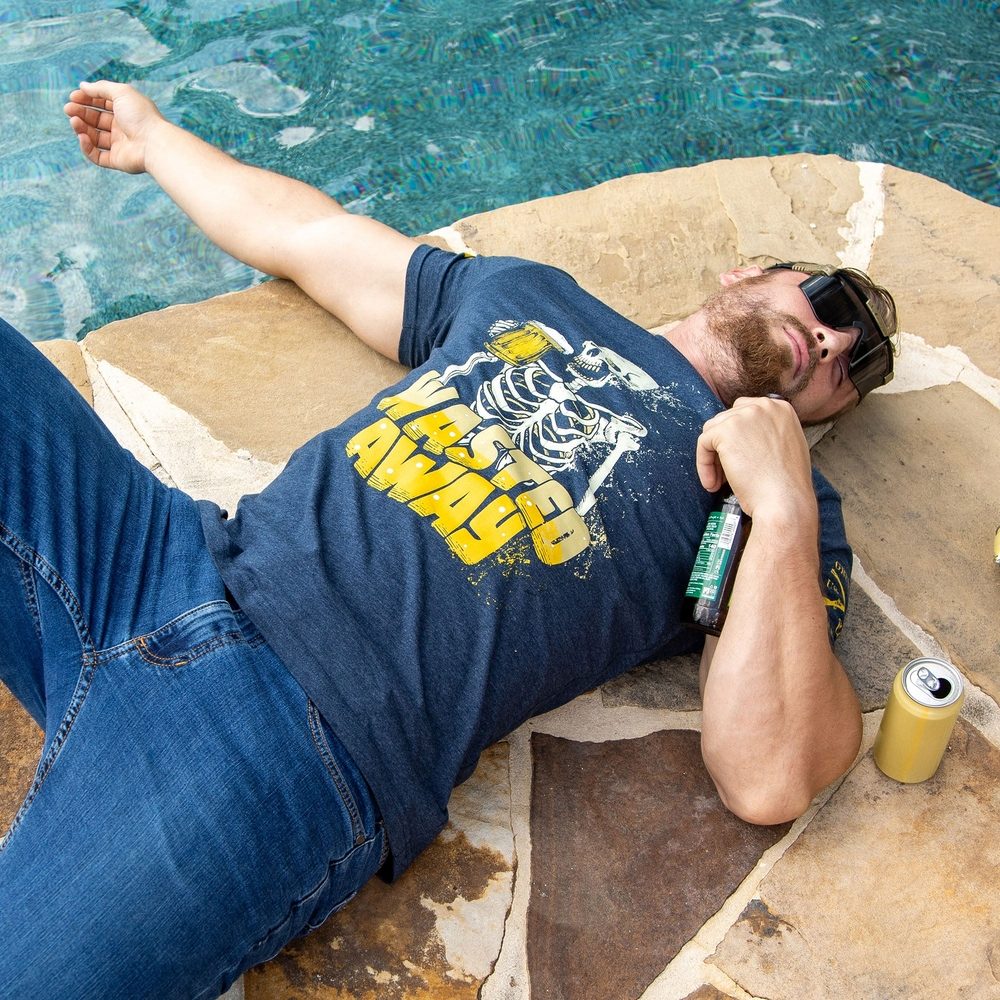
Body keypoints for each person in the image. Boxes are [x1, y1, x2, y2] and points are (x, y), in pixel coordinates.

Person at [0, 80, 897, 997]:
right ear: (749, 272)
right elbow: (309, 236)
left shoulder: (788, 516)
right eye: (830, 302)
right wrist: (156, 140)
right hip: (154, 557)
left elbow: (769, 777)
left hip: (291, 742)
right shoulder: (533, 295)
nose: (832, 341)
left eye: (854, 364)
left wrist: (782, 507)